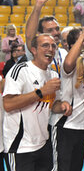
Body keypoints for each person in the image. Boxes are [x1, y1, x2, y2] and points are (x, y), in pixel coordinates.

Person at [2, 34, 72, 171]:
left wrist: (62, 106)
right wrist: (41, 92)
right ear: (33, 50)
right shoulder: (20, 70)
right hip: (20, 145)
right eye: (45, 45)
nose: (50, 49)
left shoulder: (53, 75)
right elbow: (8, 104)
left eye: (53, 46)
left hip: (43, 142)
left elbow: (52, 105)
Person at [50, 26, 84, 171]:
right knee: (61, 168)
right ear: (70, 46)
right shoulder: (70, 64)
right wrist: (82, 36)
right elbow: (68, 63)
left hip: (83, 127)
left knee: (76, 167)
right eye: (82, 41)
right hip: (65, 125)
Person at [25, 0, 68, 75]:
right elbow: (29, 36)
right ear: (40, 33)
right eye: (50, 30)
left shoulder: (63, 53)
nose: (56, 32)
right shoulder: (37, 51)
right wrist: (38, 5)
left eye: (57, 29)